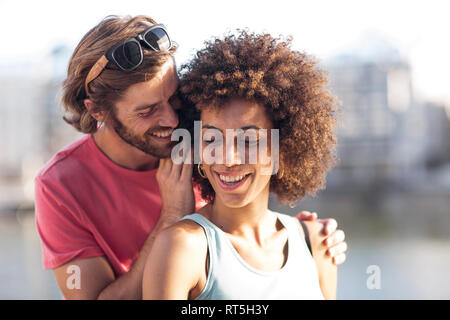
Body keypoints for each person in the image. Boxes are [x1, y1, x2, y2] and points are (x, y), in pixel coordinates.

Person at [34, 15, 347, 300]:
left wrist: (305, 238)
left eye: (174, 97)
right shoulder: (60, 186)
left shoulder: (198, 135)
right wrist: (171, 217)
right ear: (97, 111)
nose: (172, 120)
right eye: (147, 111)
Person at [142, 31, 340, 299]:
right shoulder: (183, 248)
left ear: (283, 146)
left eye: (248, 141)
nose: (228, 159)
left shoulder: (317, 242)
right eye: (211, 138)